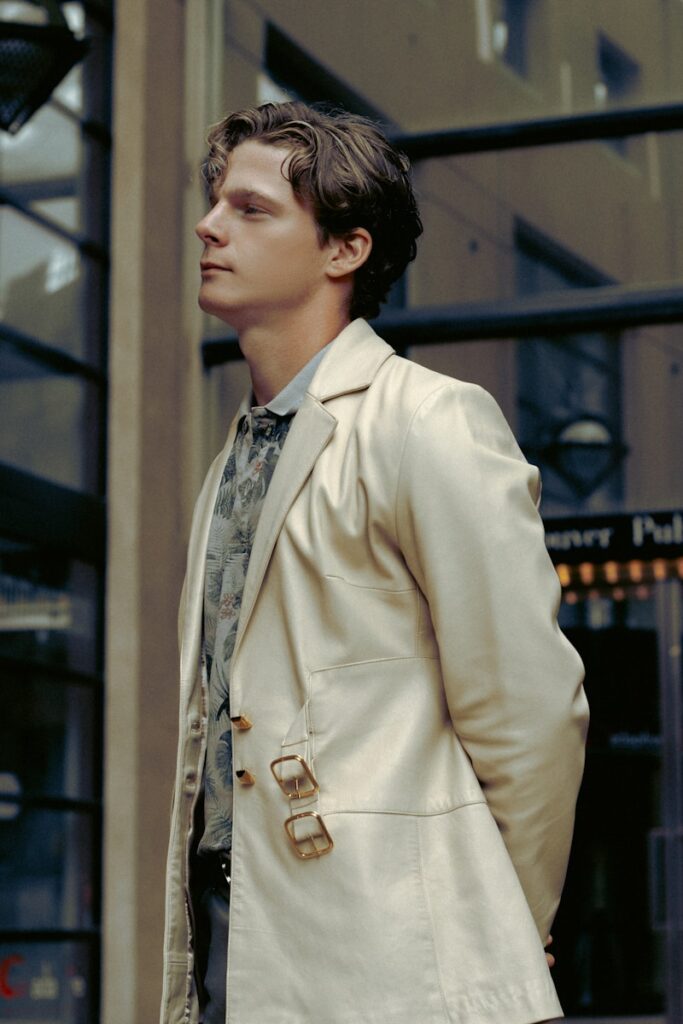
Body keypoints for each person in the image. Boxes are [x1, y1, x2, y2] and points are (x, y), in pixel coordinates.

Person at [160, 100, 589, 1024]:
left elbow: (527, 710)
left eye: (251, 209)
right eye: (216, 204)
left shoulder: (428, 418)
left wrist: (500, 921)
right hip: (238, 940)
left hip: (399, 961)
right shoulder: (234, 457)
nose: (210, 225)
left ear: (343, 251)